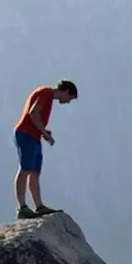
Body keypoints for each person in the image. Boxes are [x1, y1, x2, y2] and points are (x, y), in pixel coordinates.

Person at [13, 79, 78, 219]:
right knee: (25, 169)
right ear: (66, 91)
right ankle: (22, 208)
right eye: (70, 98)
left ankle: (39, 206)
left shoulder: (48, 96)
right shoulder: (46, 93)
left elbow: (35, 117)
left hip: (34, 136)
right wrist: (44, 132)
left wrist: (43, 132)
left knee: (34, 172)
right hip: (26, 134)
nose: (68, 102)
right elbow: (34, 113)